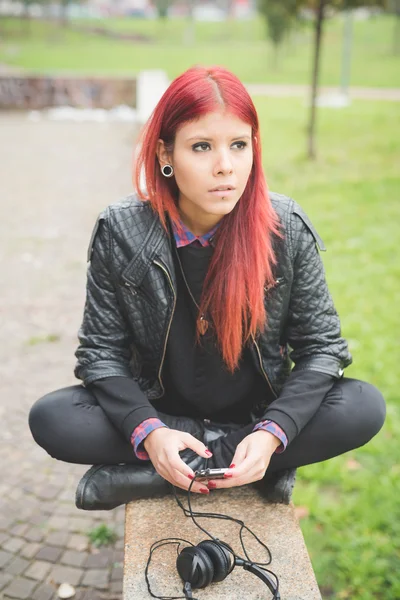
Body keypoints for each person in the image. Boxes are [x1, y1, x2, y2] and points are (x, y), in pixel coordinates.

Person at [28, 65, 385, 511]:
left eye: (239, 145)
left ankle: (161, 475)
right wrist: (151, 432)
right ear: (166, 153)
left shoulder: (285, 228)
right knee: (52, 418)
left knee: (364, 405)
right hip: (163, 412)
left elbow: (322, 349)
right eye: (201, 147)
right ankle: (238, 470)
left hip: (253, 415)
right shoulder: (121, 230)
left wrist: (272, 433)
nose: (225, 167)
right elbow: (100, 355)